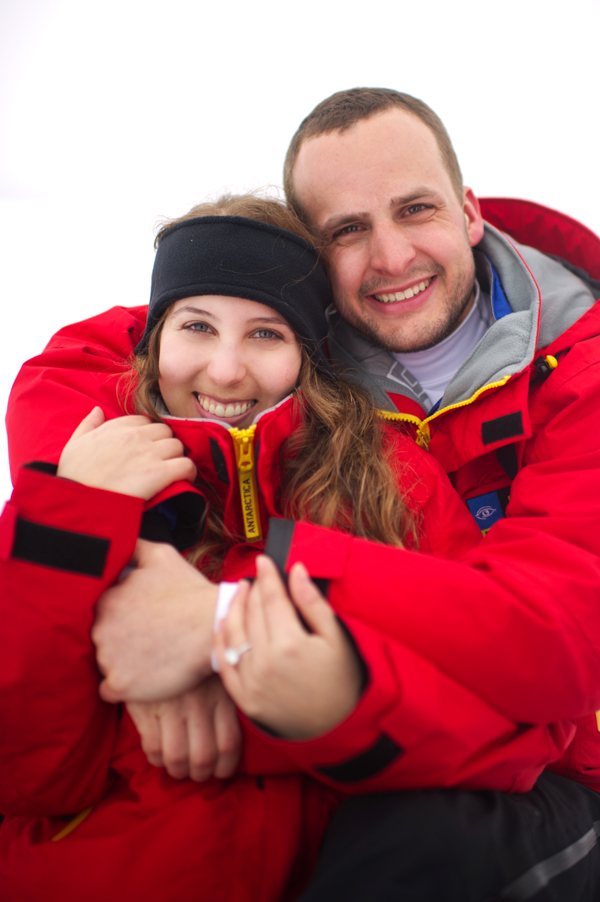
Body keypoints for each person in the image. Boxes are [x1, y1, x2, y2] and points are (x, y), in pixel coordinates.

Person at [3, 86, 600, 900]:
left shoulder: (426, 451)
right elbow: (90, 356)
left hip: (551, 779)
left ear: (469, 211)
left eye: (414, 209)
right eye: (348, 230)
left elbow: (551, 647)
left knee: (427, 842)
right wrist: (88, 524)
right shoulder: (247, 379)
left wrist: (224, 627)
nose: (390, 258)